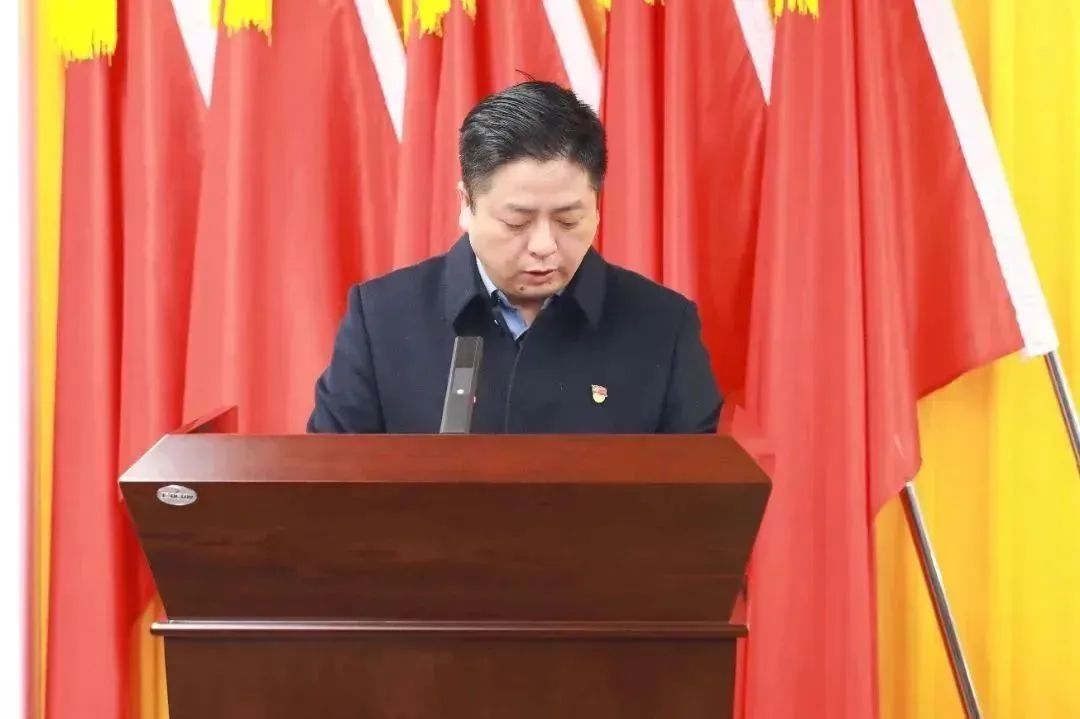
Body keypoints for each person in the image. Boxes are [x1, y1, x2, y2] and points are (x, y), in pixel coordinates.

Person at [307, 81, 721, 434]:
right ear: (466, 204)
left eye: (568, 220)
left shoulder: (663, 326)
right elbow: (330, 484)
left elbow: (699, 493)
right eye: (517, 222)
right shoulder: (382, 319)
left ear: (596, 206)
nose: (544, 245)